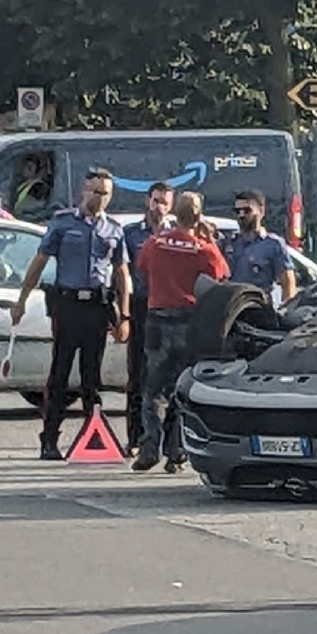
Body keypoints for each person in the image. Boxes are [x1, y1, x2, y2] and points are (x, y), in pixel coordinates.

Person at [10, 167, 131, 460]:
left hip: (97, 307)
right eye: (95, 191)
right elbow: (39, 261)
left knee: (92, 376)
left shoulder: (113, 229)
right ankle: (49, 440)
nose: (99, 198)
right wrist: (22, 300)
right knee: (60, 374)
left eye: (105, 194)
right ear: (83, 191)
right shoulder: (63, 223)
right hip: (68, 305)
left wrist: (124, 316)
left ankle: (95, 435)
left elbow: (121, 272)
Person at [133, 191, 230, 473]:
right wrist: (208, 239)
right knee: (182, 387)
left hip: (158, 319)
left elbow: (142, 269)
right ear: (199, 216)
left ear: (175, 213)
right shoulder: (203, 249)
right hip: (189, 321)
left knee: (152, 388)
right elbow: (222, 275)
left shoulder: (155, 243)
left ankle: (150, 444)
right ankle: (175, 451)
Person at [121, 182, 174, 456]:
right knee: (137, 372)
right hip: (141, 305)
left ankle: (163, 439)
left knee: (165, 375)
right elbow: (123, 272)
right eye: (156, 201)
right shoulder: (131, 234)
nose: (160, 207)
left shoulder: (175, 235)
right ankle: (134, 436)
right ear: (147, 201)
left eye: (165, 202)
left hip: (166, 308)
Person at [222, 189, 296, 303]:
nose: (241, 215)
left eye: (247, 210)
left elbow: (288, 282)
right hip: (232, 308)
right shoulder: (228, 243)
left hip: (259, 309)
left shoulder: (273, 244)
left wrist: (286, 311)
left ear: (261, 211)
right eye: (237, 211)